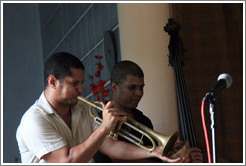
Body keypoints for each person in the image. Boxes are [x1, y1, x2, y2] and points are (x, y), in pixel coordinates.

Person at [16, 52, 187, 163]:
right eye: (74, 83)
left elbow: (111, 147)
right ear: (53, 81)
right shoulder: (34, 120)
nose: (81, 90)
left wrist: (152, 152)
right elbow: (66, 160)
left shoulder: (82, 109)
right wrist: (105, 127)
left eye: (81, 83)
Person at [93, 60, 204, 163]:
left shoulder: (143, 120)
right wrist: (157, 155)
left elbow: (153, 159)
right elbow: (115, 154)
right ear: (114, 87)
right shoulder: (101, 119)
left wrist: (182, 156)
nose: (139, 93)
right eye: (132, 88)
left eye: (141, 88)